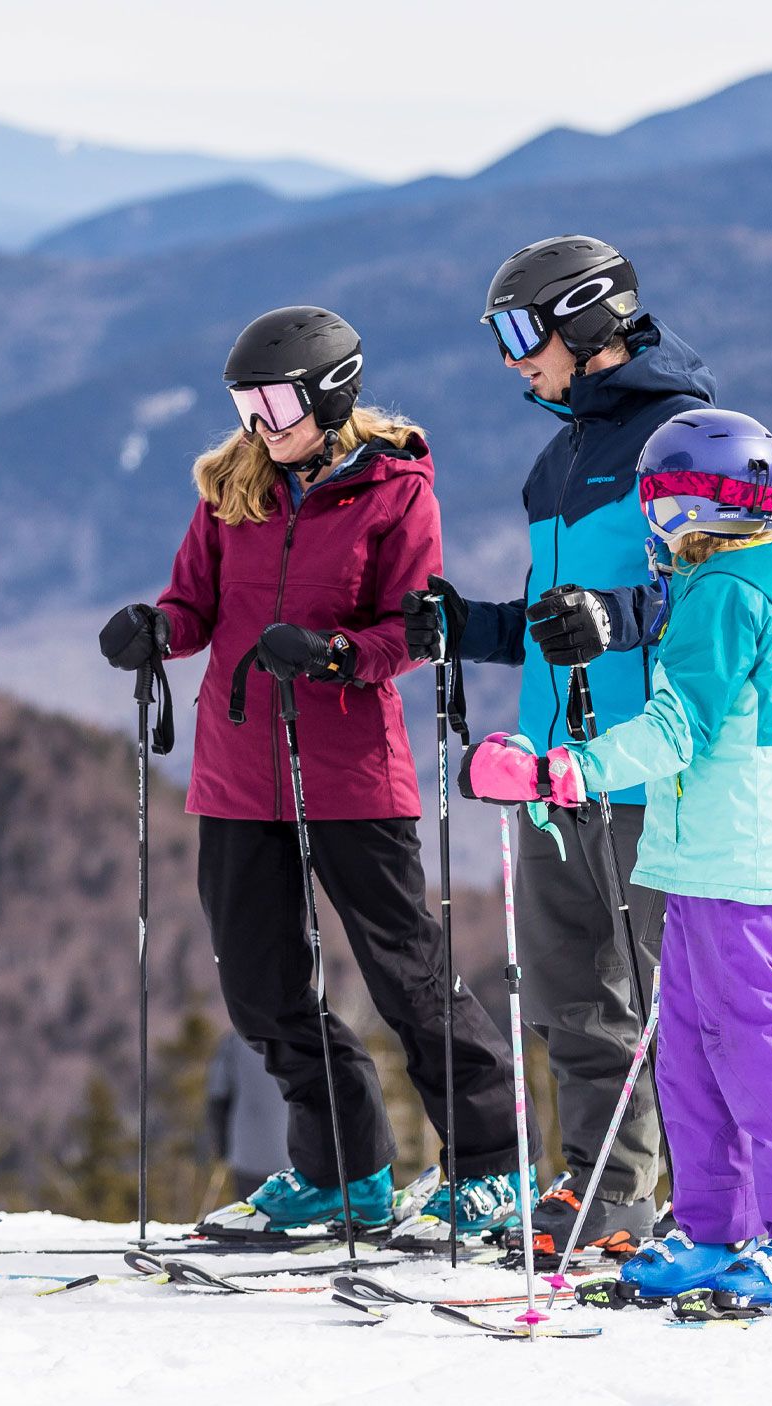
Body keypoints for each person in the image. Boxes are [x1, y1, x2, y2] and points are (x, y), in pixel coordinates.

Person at [98, 306, 522, 1247]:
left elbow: (411, 630)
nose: (258, 418)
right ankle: (342, 1173)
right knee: (260, 985)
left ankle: (491, 1167)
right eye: (244, 399)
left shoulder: (396, 490)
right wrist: (158, 631)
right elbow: (194, 602)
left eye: (275, 397)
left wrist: (334, 656)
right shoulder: (229, 489)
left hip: (350, 771)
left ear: (331, 393)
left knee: (406, 974)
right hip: (237, 770)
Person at [461, 408, 772, 1306]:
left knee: (754, 1039)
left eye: (657, 500)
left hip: (730, 857)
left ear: (680, 505)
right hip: (699, 852)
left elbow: (677, 728)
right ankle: (717, 1227)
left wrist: (566, 768)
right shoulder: (757, 577)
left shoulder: (722, 593)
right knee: (686, 1041)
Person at [402, 235, 718, 1259]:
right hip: (551, 768)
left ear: (584, 320)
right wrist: (467, 627)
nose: (508, 360)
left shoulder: (688, 437)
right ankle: (610, 1195)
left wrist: (617, 616)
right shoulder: (560, 455)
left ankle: (720, 1202)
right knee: (572, 995)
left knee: (676, 1000)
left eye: (517, 333)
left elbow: (727, 594)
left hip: (645, 764)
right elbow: (554, 620)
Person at [206, 1036, 293, 1199]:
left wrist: (220, 1148)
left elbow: (218, 1097)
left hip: (246, 1154)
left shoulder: (234, 1041)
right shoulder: (300, 1036)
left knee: (251, 1214)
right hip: (293, 1155)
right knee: (293, 1217)